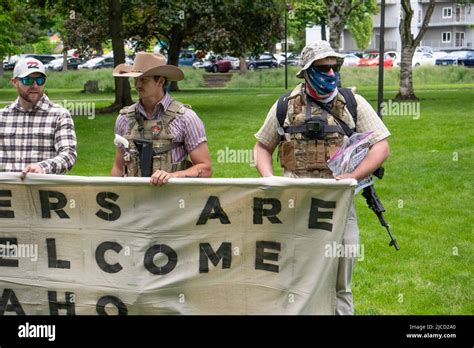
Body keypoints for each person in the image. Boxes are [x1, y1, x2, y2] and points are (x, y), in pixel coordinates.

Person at [253, 41, 390, 315]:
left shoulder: (352, 103)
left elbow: (382, 145)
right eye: (323, 68)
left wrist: (352, 176)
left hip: (338, 208)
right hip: (295, 206)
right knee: (295, 278)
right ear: (307, 71)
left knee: (341, 283)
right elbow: (262, 146)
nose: (331, 74)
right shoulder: (284, 106)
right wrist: (270, 178)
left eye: (334, 67)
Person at [111, 52, 212, 185]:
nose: (137, 85)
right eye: (135, 79)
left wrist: (173, 176)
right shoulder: (124, 119)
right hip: (134, 201)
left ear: (161, 81)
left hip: (173, 201)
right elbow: (118, 168)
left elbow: (205, 168)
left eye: (144, 79)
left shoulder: (186, 118)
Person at [0, 57, 77, 178]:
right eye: (28, 80)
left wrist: (42, 167)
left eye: (40, 80)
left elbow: (69, 155)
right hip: (8, 193)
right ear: (14, 82)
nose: (35, 85)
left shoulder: (59, 115)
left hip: (44, 193)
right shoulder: (2, 116)